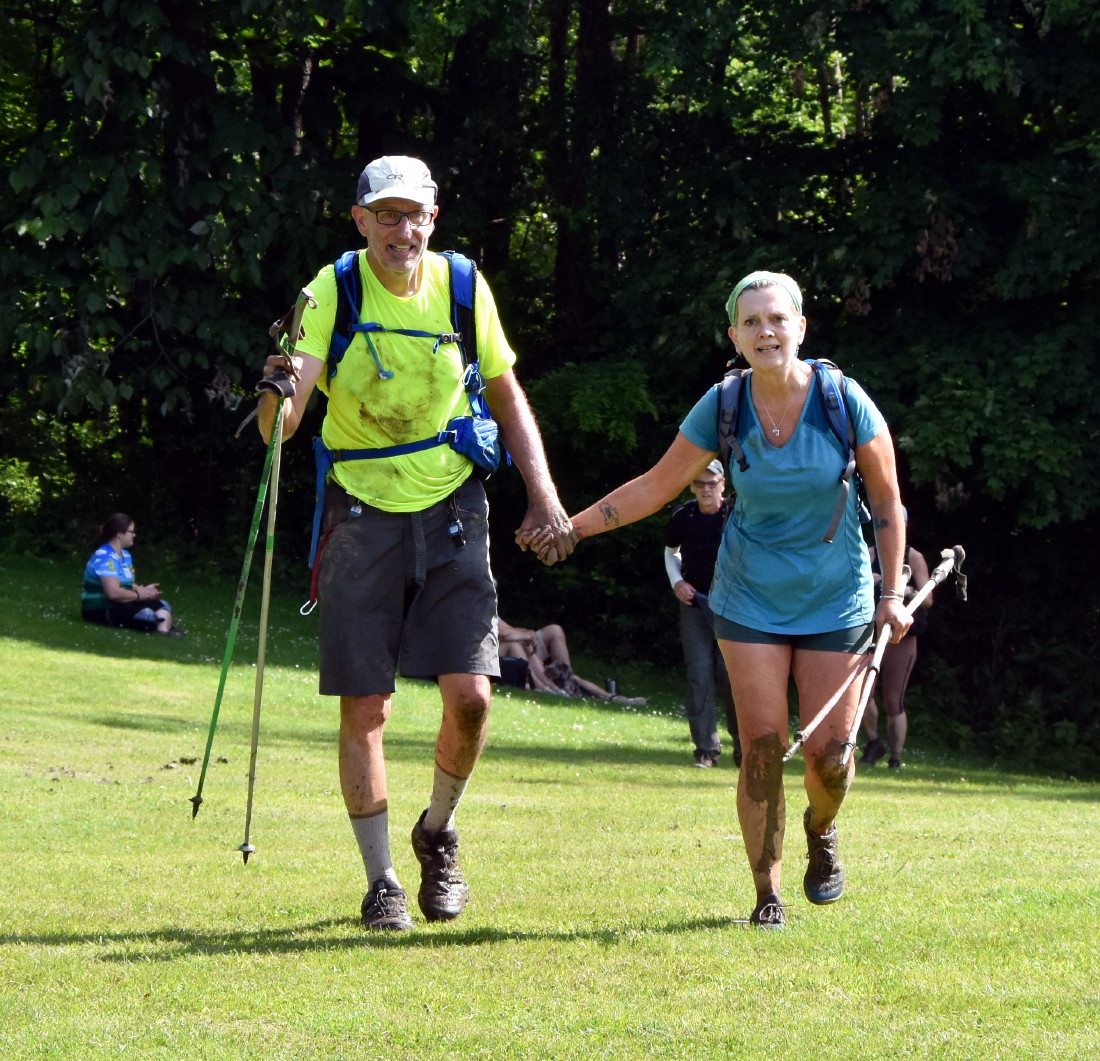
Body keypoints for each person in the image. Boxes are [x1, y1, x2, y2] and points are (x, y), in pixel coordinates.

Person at [526, 270, 910, 929]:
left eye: (777, 318)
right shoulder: (724, 405)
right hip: (749, 597)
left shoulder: (844, 400)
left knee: (832, 756)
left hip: (838, 596)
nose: (766, 330)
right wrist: (572, 525)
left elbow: (887, 501)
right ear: (735, 335)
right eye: (752, 321)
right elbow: (654, 486)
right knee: (761, 744)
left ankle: (822, 827)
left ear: (800, 327)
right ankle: (768, 892)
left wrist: (892, 592)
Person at [256, 156, 573, 932]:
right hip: (360, 513)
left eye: (416, 215)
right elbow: (283, 427)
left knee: (471, 698)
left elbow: (506, 390)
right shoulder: (331, 288)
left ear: (434, 217)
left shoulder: (462, 286)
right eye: (388, 215)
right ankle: (382, 882)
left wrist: (545, 492)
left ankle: (438, 831)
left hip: (452, 505)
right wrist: (275, 395)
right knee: (366, 703)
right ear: (360, 219)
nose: (404, 229)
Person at [664, 458, 741, 768]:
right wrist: (677, 582)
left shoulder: (736, 514)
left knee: (731, 675)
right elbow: (671, 553)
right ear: (692, 486)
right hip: (695, 603)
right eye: (700, 484)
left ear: (723, 484)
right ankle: (706, 750)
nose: (706, 489)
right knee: (699, 675)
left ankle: (744, 747)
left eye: (712, 483)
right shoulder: (683, 516)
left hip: (734, 608)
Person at [861, 522, 932, 770]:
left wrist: (906, 590)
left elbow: (928, 598)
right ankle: (873, 742)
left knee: (893, 700)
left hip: (901, 636)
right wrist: (869, 580)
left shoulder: (913, 556)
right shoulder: (868, 553)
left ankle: (896, 757)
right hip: (870, 632)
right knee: (863, 693)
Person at [497, 619, 647, 705]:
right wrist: (522, 636)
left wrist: (525, 634)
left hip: (515, 646)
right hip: (498, 651)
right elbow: (497, 632)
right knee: (520, 642)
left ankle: (567, 680)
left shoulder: (488, 601)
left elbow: (507, 628)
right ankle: (552, 689)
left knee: (554, 630)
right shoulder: (476, 602)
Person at [81, 513, 182, 636]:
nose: (134, 535)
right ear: (119, 533)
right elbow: (113, 593)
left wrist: (143, 591)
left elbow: (125, 582)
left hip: (121, 605)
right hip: (100, 609)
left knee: (163, 605)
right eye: (131, 532)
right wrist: (139, 595)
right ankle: (163, 628)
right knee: (147, 614)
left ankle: (162, 631)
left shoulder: (126, 555)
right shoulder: (105, 557)